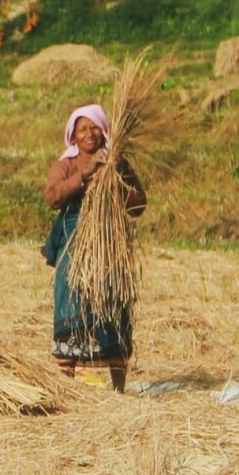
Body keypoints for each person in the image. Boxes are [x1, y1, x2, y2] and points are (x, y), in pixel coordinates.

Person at [42, 103, 149, 392]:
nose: (89, 134)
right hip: (73, 246)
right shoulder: (66, 164)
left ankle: (118, 390)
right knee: (71, 302)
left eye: (94, 128)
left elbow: (138, 206)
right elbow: (52, 197)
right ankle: (66, 388)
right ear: (73, 135)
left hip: (110, 247)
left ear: (104, 131)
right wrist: (85, 175)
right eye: (82, 129)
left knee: (112, 302)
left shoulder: (118, 162)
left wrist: (117, 179)